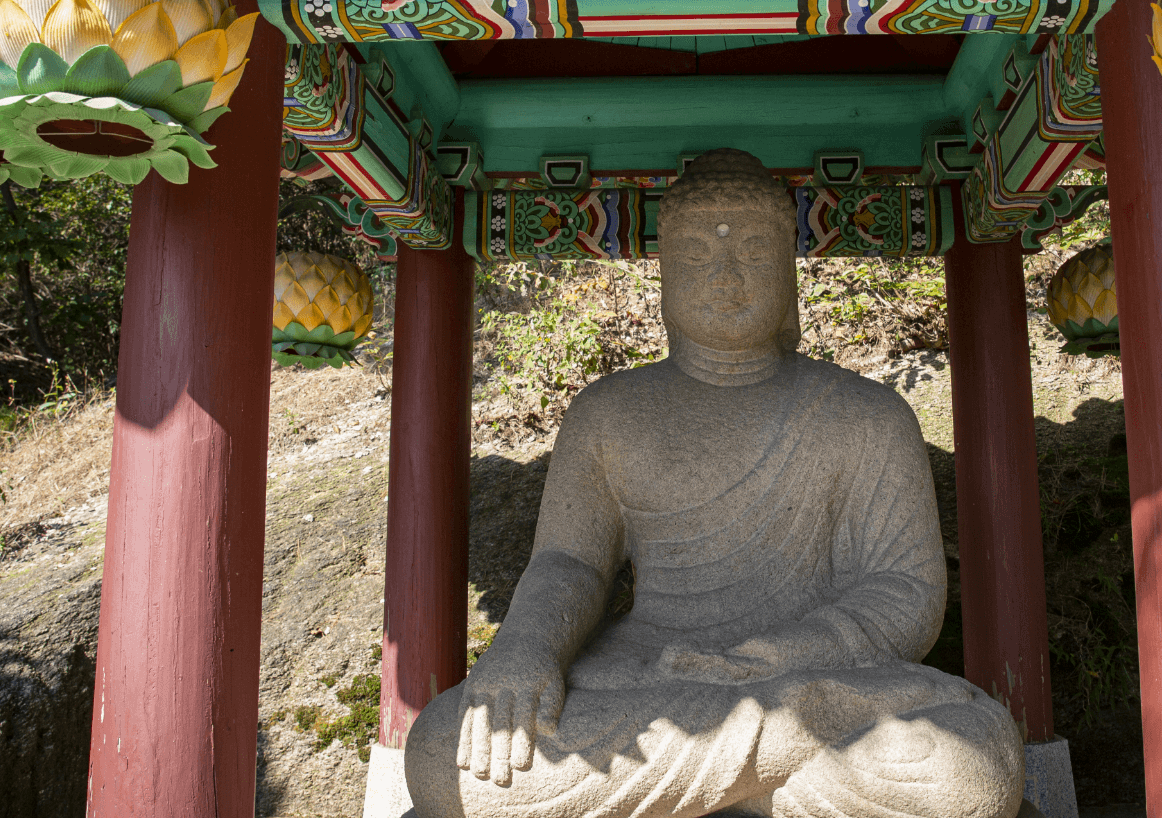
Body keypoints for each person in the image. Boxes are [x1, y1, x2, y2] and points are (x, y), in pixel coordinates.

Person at [405, 149, 1026, 818]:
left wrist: (784, 657)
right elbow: (571, 561)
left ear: (789, 267)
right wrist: (525, 648)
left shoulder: (866, 414)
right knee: (443, 750)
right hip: (651, 671)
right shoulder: (609, 412)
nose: (726, 274)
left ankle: (739, 763)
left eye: (755, 249)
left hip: (813, 674)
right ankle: (775, 764)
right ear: (663, 270)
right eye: (696, 253)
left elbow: (907, 593)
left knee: (971, 765)